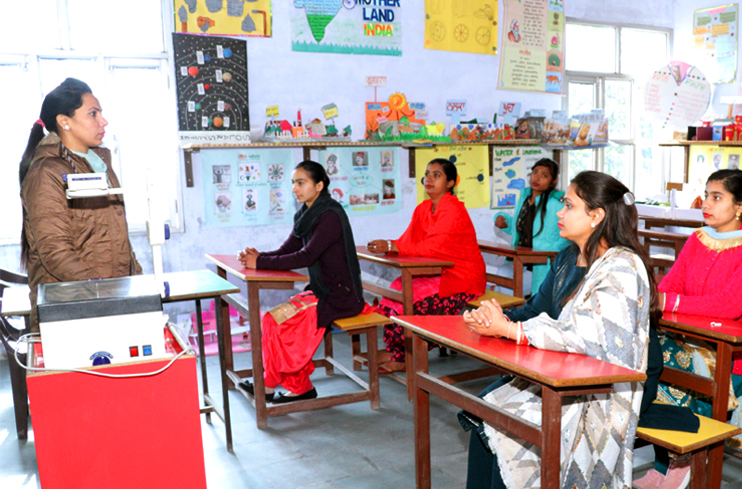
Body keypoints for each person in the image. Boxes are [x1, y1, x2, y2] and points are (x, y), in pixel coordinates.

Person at [463, 171, 659, 489]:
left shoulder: (622, 266)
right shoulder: (569, 257)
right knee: (484, 413)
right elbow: (536, 310)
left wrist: (511, 330)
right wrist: (496, 321)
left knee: (503, 429)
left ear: (596, 216)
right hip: (564, 369)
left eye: (568, 205)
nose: (559, 212)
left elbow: (585, 337)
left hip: (605, 388)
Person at [639, 170, 742, 488]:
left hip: (734, 355)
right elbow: (671, 284)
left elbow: (729, 306)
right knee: (648, 355)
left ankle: (684, 458)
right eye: (706, 195)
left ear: (741, 206)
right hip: (691, 338)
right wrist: (661, 298)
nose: (706, 203)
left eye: (717, 197)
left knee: (668, 363)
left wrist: (669, 301)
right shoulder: (699, 238)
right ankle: (666, 459)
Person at [19, 77, 142, 332]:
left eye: (101, 113)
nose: (103, 121)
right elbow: (56, 253)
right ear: (64, 121)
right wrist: (105, 294)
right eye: (93, 113)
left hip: (110, 300)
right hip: (71, 308)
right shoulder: (47, 173)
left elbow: (116, 237)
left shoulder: (99, 164)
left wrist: (137, 286)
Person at [237, 161, 365, 403]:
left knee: (279, 323)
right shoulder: (306, 214)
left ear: (319, 185)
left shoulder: (330, 216)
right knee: (271, 320)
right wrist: (258, 258)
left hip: (338, 296)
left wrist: (259, 262)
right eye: (293, 183)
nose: (294, 188)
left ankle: (268, 384)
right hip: (320, 290)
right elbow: (288, 249)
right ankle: (300, 386)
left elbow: (306, 256)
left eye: (301, 182)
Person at [366, 158, 486, 373]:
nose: (429, 179)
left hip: (461, 277)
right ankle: (395, 349)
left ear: (450, 183)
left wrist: (393, 246)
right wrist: (390, 245)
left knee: (413, 302)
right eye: (427, 174)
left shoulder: (453, 210)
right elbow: (409, 240)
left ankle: (404, 356)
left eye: (436, 175)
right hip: (438, 272)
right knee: (396, 289)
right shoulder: (423, 208)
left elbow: (434, 247)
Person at [493, 158, 568, 295]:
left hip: (541, 265)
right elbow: (520, 227)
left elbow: (569, 233)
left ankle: (512, 307)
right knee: (502, 273)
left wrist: (552, 252)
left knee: (507, 289)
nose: (537, 178)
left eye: (544, 175)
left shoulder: (556, 203)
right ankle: (512, 306)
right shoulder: (524, 198)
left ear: (553, 181)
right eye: (535, 172)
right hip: (521, 260)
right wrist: (502, 219)